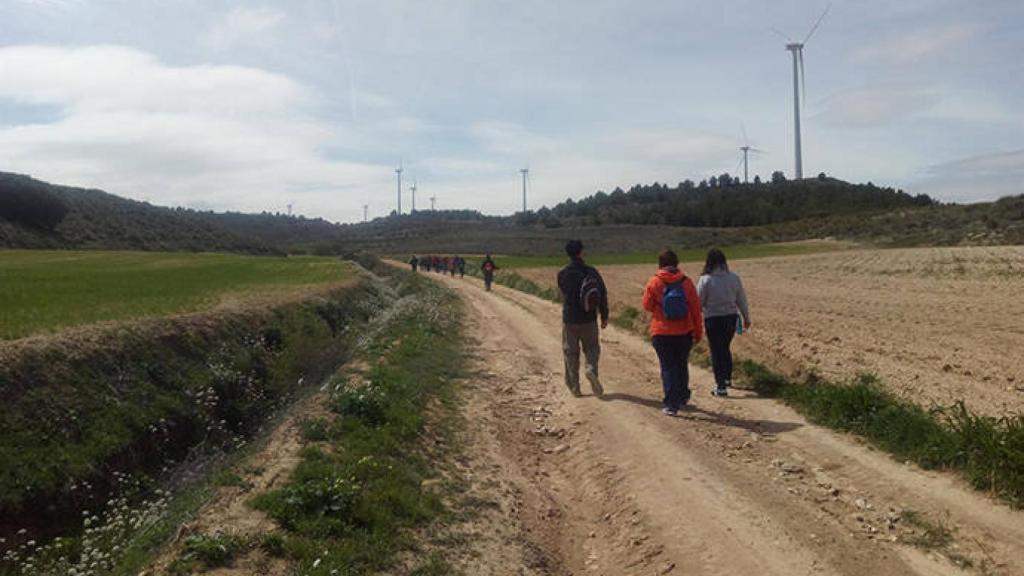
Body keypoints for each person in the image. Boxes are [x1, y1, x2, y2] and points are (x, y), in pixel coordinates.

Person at [642, 248, 703, 415]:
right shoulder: (686, 282)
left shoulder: (654, 281)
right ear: (677, 263)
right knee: (681, 365)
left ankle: (671, 404)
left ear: (660, 264)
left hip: (661, 332)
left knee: (668, 367)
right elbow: (696, 310)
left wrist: (658, 306)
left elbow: (646, 305)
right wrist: (698, 332)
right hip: (684, 332)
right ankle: (683, 396)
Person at [696, 248, 751, 397]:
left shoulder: (705, 279)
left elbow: (698, 302)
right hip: (730, 318)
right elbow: (741, 299)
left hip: (713, 319)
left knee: (716, 351)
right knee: (725, 348)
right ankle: (727, 378)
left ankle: (720, 386)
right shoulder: (734, 277)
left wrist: (696, 317)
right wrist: (746, 318)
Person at [557, 240, 608, 397]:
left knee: (570, 352)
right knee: (592, 348)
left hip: (570, 318)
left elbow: (563, 293)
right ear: (581, 252)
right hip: (589, 318)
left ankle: (575, 387)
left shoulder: (563, 273)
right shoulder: (591, 271)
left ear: (568, 253)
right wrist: (604, 316)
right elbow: (602, 294)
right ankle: (591, 369)